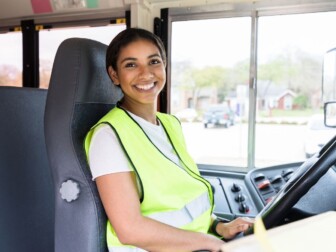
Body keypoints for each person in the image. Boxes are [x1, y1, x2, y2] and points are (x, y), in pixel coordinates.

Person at [84, 27, 253, 252]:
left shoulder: (170, 124)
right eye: (131, 65)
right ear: (115, 75)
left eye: (153, 61)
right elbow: (129, 229)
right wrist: (211, 243)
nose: (146, 74)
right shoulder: (108, 136)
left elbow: (180, 198)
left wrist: (218, 227)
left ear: (164, 66)